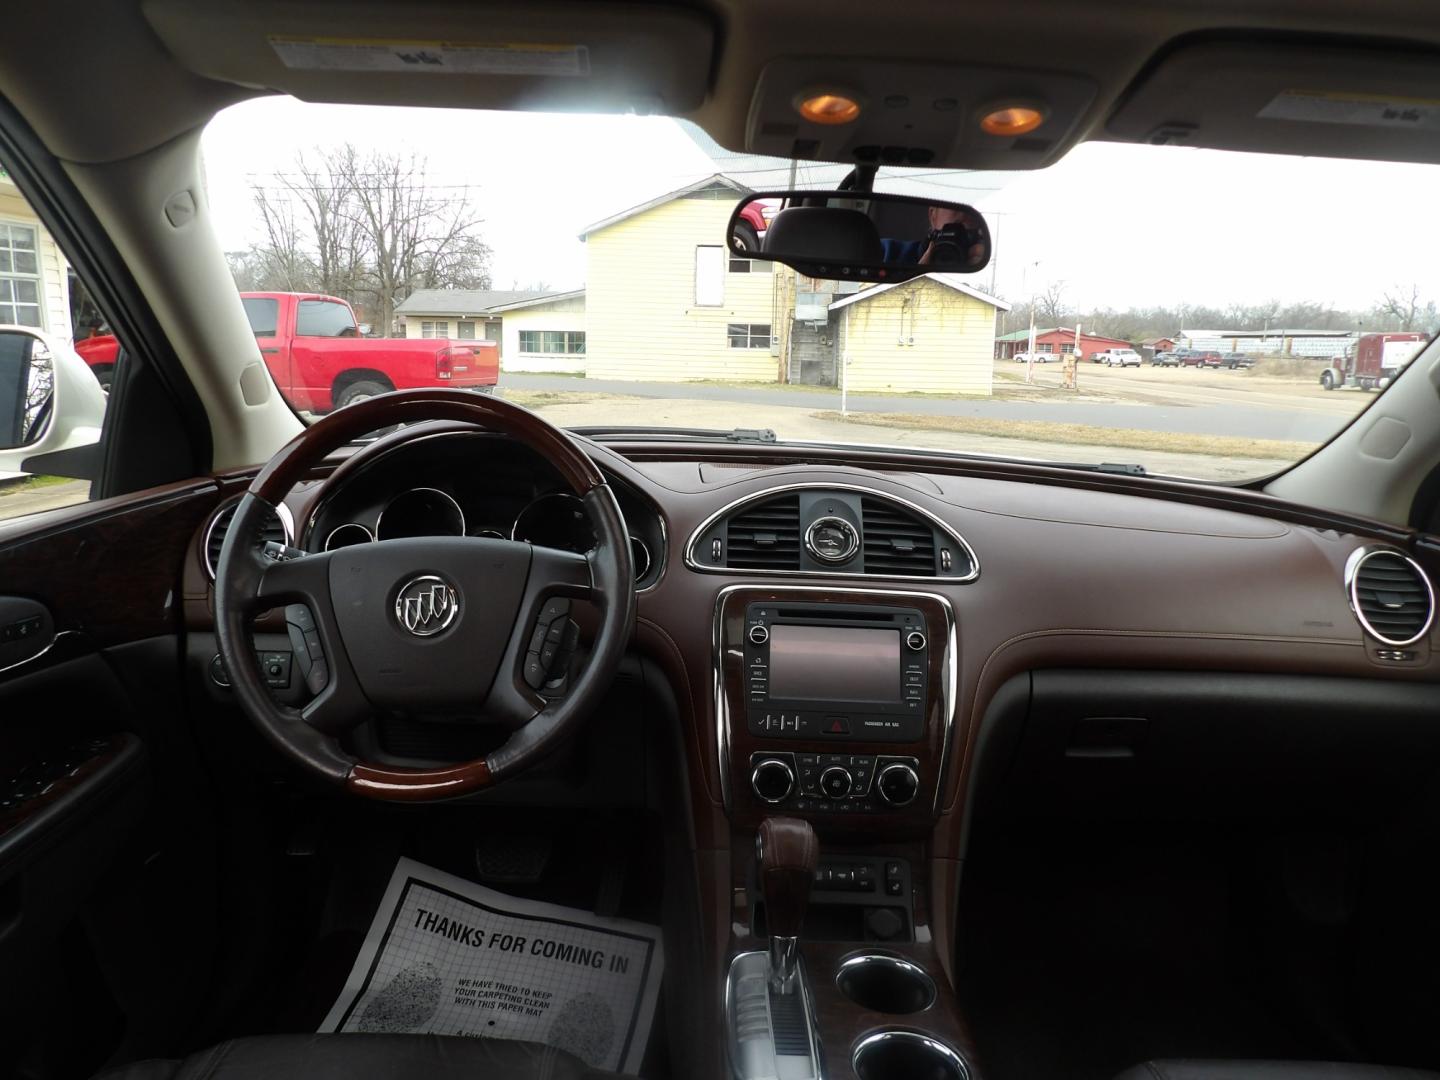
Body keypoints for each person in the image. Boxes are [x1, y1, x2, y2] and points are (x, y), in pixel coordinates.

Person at [881, 205, 987, 268]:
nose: (965, 212)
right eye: (954, 204)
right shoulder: (886, 252)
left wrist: (976, 270)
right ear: (933, 216)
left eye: (973, 208)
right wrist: (918, 275)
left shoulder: (977, 259)